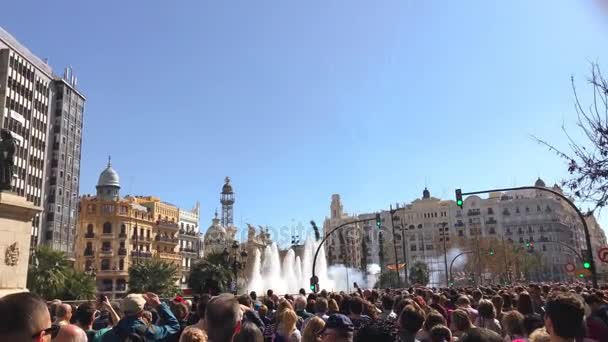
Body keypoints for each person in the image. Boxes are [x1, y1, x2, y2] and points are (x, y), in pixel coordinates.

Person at [101, 292, 180, 341]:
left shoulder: (108, 335)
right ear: (142, 311)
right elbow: (174, 326)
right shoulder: (150, 332)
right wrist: (159, 304)